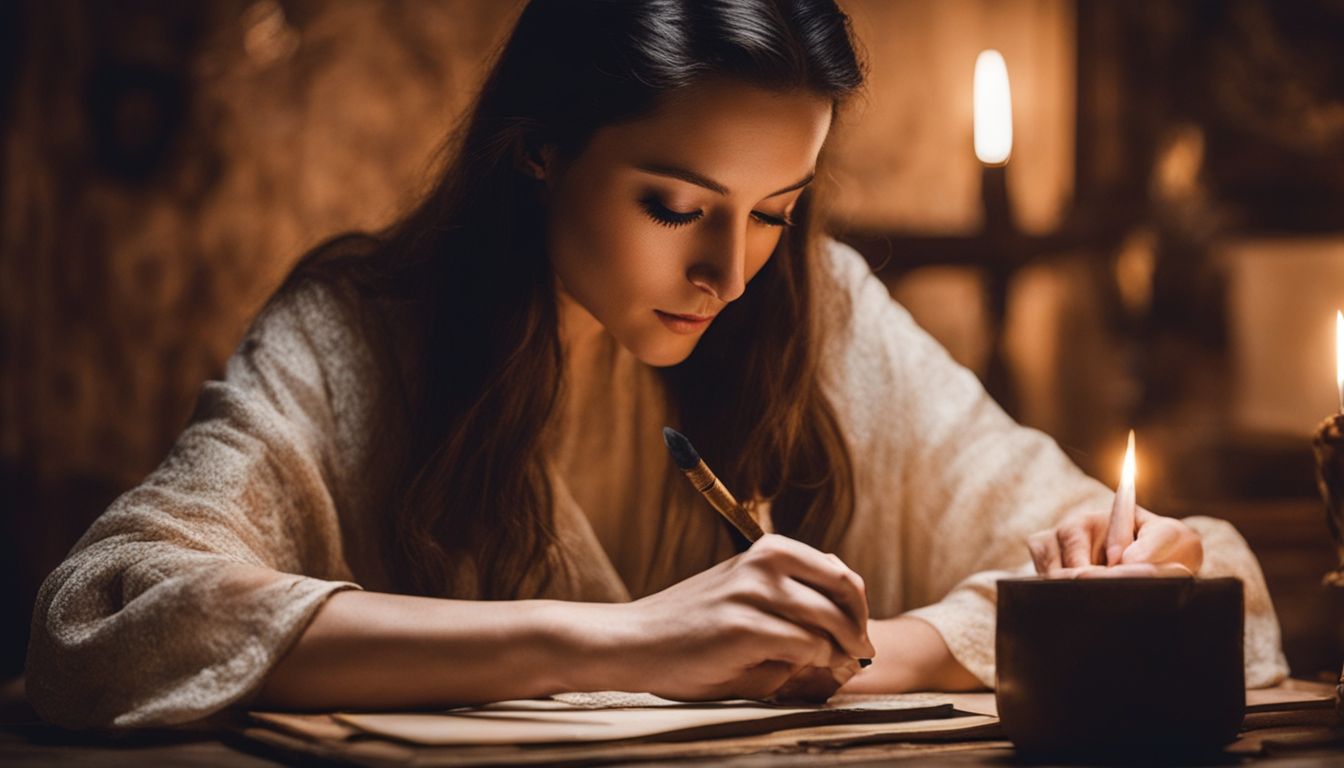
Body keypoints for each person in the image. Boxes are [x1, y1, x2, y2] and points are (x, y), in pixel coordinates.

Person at [26, 0, 1287, 729]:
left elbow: (1202, 566)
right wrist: (620, 643)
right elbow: (112, 616)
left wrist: (901, 645)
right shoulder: (364, 330)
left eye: (777, 207)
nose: (731, 273)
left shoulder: (819, 313)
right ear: (539, 152)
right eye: (677, 207)